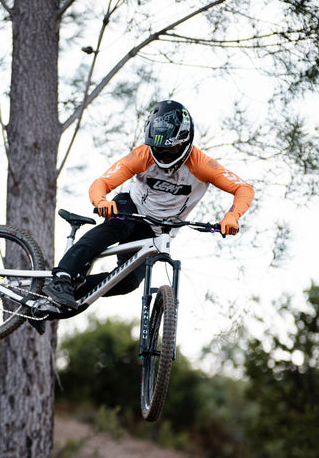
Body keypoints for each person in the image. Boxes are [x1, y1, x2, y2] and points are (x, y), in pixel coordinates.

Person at [45, 100, 254, 309]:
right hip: (131, 208)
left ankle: (73, 291)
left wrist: (231, 216)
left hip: (157, 230)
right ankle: (62, 276)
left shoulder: (202, 164)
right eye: (157, 149)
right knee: (119, 225)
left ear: (185, 141)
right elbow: (102, 183)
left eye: (170, 150)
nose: (162, 156)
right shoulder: (142, 155)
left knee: (128, 283)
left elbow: (244, 189)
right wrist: (101, 201)